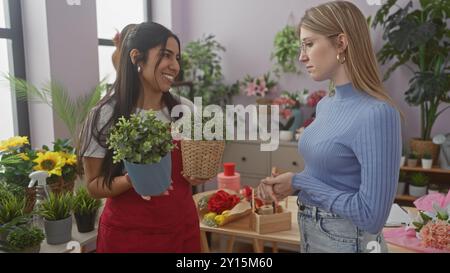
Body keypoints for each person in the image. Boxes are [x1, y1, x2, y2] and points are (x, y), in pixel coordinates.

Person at [257, 1, 402, 253]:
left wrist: (301, 180)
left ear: (341, 43)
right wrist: (295, 184)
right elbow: (331, 177)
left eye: (309, 44)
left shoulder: (378, 113)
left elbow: (372, 216)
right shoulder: (326, 104)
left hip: (350, 243)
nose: (302, 56)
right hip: (312, 235)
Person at [77, 22, 207, 253]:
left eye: (177, 57)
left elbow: (191, 169)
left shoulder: (184, 110)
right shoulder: (105, 114)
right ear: (137, 58)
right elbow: (94, 186)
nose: (175, 66)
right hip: (128, 237)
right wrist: (132, 179)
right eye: (166, 55)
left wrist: (197, 174)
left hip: (182, 231)